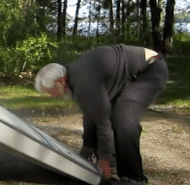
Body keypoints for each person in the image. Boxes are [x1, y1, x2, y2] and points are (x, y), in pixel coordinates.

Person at [34, 45, 168, 185]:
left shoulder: (82, 80)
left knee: (123, 119)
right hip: (132, 74)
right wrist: (88, 150)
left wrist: (104, 159)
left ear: (60, 81)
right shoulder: (75, 77)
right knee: (115, 117)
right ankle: (116, 163)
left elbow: (102, 120)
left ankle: (134, 178)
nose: (51, 96)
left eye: (50, 91)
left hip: (149, 69)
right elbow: (91, 114)